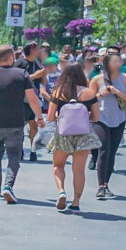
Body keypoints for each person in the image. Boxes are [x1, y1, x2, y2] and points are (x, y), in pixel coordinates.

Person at [0, 44, 45, 204]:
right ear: (12, 57)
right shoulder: (21, 75)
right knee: (14, 155)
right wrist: (39, 117)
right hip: (15, 123)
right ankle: (8, 186)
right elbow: (33, 99)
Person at [46, 64, 101, 211]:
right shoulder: (89, 93)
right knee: (78, 170)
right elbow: (96, 118)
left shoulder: (58, 92)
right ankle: (76, 203)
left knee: (58, 165)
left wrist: (60, 115)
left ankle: (61, 191)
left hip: (63, 134)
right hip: (83, 135)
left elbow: (50, 117)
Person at [88, 54, 126, 199]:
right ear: (107, 63)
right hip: (100, 118)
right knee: (104, 150)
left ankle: (106, 184)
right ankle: (100, 187)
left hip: (119, 118)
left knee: (112, 152)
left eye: (119, 61)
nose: (118, 64)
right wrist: (102, 93)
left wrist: (118, 92)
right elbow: (89, 98)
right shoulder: (97, 79)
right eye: (115, 61)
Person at [15, 42, 47, 162]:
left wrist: (43, 74)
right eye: (37, 48)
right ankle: (20, 149)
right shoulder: (20, 63)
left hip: (34, 97)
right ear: (31, 49)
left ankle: (33, 150)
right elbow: (17, 79)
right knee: (21, 125)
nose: (39, 50)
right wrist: (34, 76)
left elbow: (43, 82)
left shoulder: (37, 64)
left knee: (34, 124)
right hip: (22, 99)